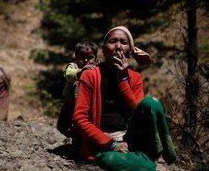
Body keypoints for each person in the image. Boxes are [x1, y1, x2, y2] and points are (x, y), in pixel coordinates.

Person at [72, 26, 177, 170]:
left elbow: (137, 112)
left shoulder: (135, 78)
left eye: (123, 42)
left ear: (129, 50)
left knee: (151, 103)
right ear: (103, 49)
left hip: (131, 138)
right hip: (103, 143)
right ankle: (151, 165)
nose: (118, 46)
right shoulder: (90, 75)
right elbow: (79, 119)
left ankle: (160, 155)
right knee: (111, 160)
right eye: (113, 41)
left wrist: (123, 80)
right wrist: (112, 144)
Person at [57, 39, 99, 153]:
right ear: (76, 57)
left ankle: (79, 144)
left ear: (95, 58)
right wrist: (80, 72)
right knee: (61, 125)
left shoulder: (96, 69)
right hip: (70, 105)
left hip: (86, 109)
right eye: (81, 57)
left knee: (81, 128)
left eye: (89, 57)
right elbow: (68, 74)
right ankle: (73, 135)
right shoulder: (73, 66)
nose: (85, 60)